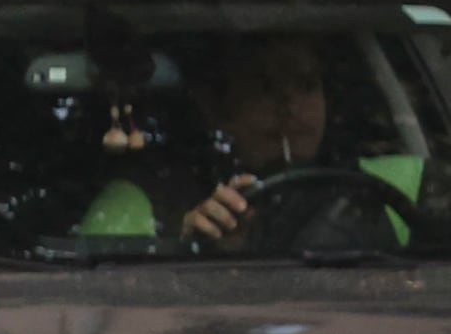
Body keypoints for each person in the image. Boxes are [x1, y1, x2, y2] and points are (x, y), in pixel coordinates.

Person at [83, 31, 422, 251]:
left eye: (306, 84)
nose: (290, 106)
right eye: (263, 87)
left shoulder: (401, 182)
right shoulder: (142, 202)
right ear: (212, 106)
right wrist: (185, 249)